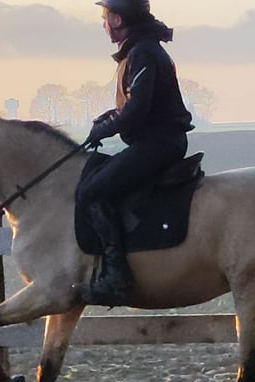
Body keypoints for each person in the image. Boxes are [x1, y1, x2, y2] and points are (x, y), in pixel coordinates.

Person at [75, 0, 194, 307]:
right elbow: (135, 105)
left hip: (159, 144)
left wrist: (107, 128)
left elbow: (137, 109)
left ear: (117, 19)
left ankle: (117, 278)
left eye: (105, 18)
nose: (104, 25)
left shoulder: (143, 52)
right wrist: (109, 117)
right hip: (156, 141)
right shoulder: (141, 50)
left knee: (92, 192)